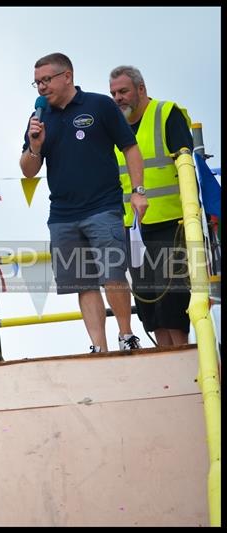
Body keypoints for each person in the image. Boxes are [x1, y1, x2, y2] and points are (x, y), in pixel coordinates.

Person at [19, 53, 148, 353]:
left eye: (46, 80)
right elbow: (27, 170)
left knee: (112, 273)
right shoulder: (39, 117)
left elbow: (130, 148)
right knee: (83, 282)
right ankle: (98, 347)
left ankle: (126, 336)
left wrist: (138, 191)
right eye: (37, 82)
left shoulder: (100, 105)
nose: (41, 87)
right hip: (62, 214)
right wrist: (34, 146)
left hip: (103, 206)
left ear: (68, 76)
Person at [109, 65, 193, 346]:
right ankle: (163, 361)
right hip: (133, 229)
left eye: (123, 91)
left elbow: (187, 164)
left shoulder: (166, 114)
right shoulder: (114, 129)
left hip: (173, 224)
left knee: (174, 304)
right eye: (113, 93)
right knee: (150, 306)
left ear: (141, 89)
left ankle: (181, 358)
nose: (118, 98)